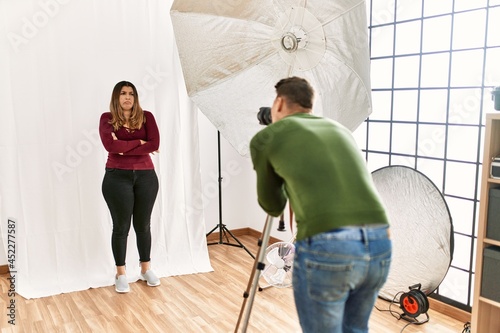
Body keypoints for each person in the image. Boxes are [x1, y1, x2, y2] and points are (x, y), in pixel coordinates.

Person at [250, 77, 392, 333]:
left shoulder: (267, 138)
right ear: (309, 105)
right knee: (355, 329)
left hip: (330, 246)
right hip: (380, 244)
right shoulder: (339, 130)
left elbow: (272, 205)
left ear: (279, 102)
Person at [99, 81, 161, 293]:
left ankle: (145, 269)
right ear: (116, 97)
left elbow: (155, 144)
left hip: (146, 177)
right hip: (117, 178)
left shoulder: (147, 117)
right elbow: (110, 146)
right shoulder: (107, 119)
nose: (127, 97)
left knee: (143, 225)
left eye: (131, 94)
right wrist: (140, 144)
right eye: (123, 93)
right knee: (121, 227)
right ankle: (121, 274)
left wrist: (124, 147)